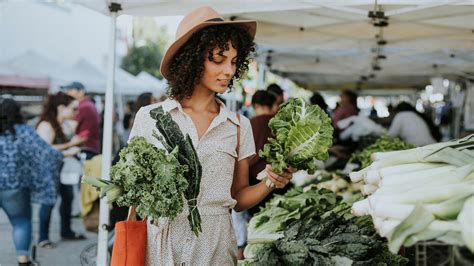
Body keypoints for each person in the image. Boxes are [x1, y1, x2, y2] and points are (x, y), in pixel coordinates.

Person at [128, 6, 295, 264]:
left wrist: (270, 181)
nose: (229, 71)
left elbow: (238, 198)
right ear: (192, 58)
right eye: (218, 59)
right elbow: (133, 190)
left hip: (215, 248)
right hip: (161, 248)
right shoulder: (148, 118)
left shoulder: (238, 125)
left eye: (234, 62)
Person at [0, 98, 65, 266]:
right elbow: (45, 153)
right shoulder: (23, 131)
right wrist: (64, 155)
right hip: (14, 187)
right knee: (21, 222)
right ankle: (23, 261)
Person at [35, 92, 86, 247]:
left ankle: (66, 231)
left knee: (68, 198)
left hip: (64, 168)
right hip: (49, 169)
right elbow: (44, 149)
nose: (76, 113)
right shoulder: (46, 125)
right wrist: (69, 147)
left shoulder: (63, 124)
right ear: (61, 107)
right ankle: (43, 238)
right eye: (74, 109)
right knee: (48, 202)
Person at [61, 81, 101, 159]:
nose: (67, 93)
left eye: (70, 90)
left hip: (85, 149)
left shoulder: (83, 106)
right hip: (89, 148)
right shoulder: (88, 104)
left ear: (81, 92)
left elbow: (69, 130)